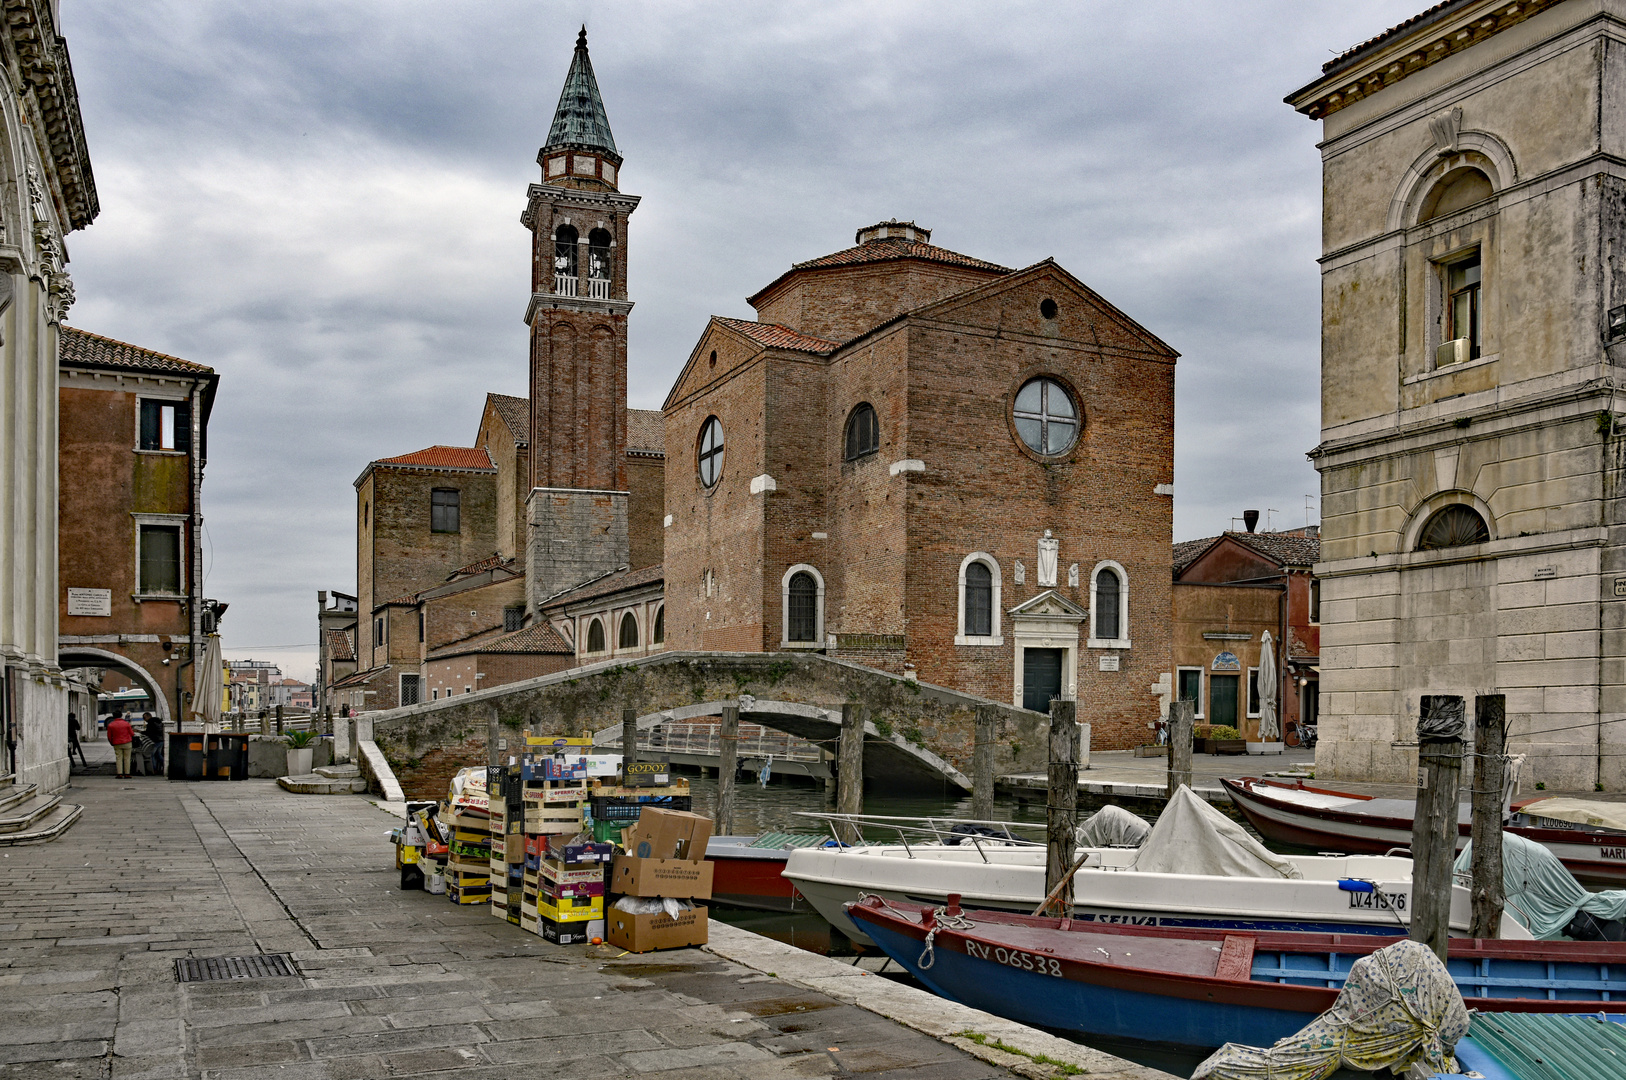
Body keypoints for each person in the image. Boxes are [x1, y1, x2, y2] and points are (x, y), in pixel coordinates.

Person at [106, 712, 135, 779]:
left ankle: (120, 773)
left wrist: (111, 742)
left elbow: (109, 736)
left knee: (119, 758)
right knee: (127, 758)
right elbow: (132, 733)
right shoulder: (126, 724)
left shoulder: (111, 725)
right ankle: (127, 773)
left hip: (117, 743)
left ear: (113, 716)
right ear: (121, 715)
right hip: (127, 742)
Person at [144, 711, 165, 776]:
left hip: (155, 740)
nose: (144, 719)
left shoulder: (151, 723)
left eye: (144, 718)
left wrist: (140, 731)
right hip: (161, 740)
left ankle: (154, 769)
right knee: (158, 754)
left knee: (152, 754)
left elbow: (149, 732)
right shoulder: (158, 721)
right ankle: (166, 765)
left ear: (148, 716)